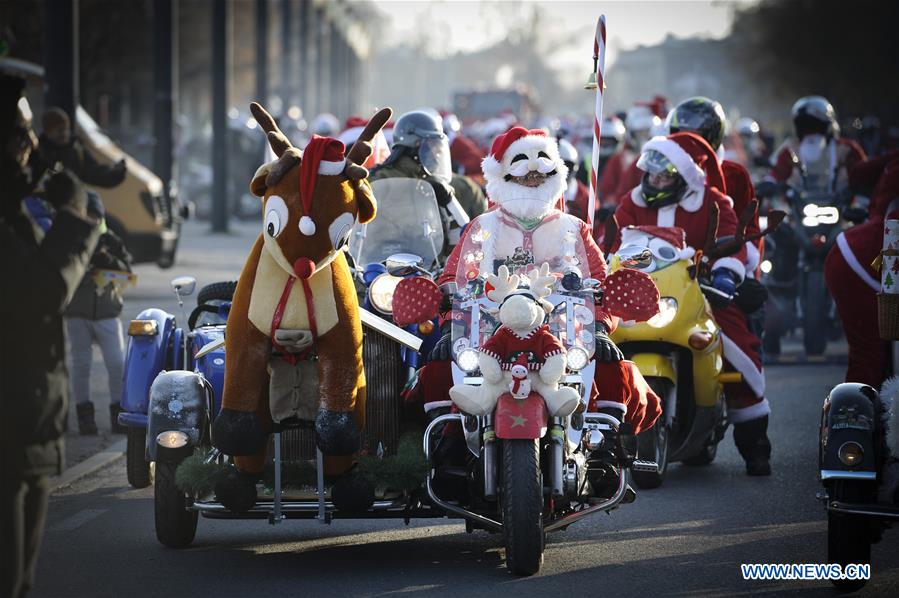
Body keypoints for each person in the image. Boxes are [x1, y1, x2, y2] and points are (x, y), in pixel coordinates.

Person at [426, 126, 662, 437]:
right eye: (523, 171)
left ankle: (603, 447)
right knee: (439, 369)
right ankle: (448, 447)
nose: (533, 176)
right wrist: (448, 327)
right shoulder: (481, 228)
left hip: (563, 332)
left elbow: (598, 282)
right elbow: (453, 282)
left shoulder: (573, 229)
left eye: (540, 171)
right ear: (503, 176)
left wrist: (601, 329)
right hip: (489, 332)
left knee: (609, 368)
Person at [612, 132, 772, 476]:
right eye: (652, 173)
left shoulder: (714, 202)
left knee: (738, 347)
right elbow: (611, 245)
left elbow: (734, 245)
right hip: (635, 293)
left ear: (684, 176)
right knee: (593, 345)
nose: (655, 181)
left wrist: (726, 274)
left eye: (664, 175)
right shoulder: (631, 201)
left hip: (698, 291)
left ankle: (754, 443)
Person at [1, 74, 101, 597]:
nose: (32, 147)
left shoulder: (14, 209)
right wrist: (72, 223)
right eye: (21, 135)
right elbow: (35, 298)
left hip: (26, 428)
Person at [825, 152, 899, 387]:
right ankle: (856, 417)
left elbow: (859, 171)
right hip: (869, 256)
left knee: (867, 357)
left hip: (860, 252)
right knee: (867, 360)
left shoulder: (847, 147)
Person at [369, 110, 486, 258]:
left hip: (431, 270)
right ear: (416, 145)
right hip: (382, 270)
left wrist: (449, 202)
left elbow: (475, 236)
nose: (437, 153)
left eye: (439, 146)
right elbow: (360, 240)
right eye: (433, 145)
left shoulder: (451, 185)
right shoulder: (379, 181)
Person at [63, 219, 133, 435]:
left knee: (116, 363)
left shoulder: (111, 240)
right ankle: (84, 417)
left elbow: (128, 272)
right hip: (77, 312)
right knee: (81, 365)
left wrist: (107, 259)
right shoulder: (70, 236)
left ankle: (118, 414)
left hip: (107, 312)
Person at [766, 96, 866, 194]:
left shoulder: (846, 148)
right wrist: (769, 182)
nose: (811, 132)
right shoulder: (791, 150)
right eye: (804, 126)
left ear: (828, 126)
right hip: (799, 206)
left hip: (842, 205)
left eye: (816, 126)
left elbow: (864, 172)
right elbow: (777, 173)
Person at [30, 107, 126, 188]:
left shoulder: (76, 149)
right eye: (59, 130)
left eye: (66, 128)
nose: (64, 133)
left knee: (93, 200)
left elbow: (94, 172)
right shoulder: (39, 152)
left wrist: (114, 173)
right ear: (48, 132)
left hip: (71, 200)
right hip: (45, 202)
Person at [598, 105, 660, 209]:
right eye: (640, 133)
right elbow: (612, 191)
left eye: (646, 133)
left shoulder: (662, 160)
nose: (643, 138)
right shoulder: (620, 158)